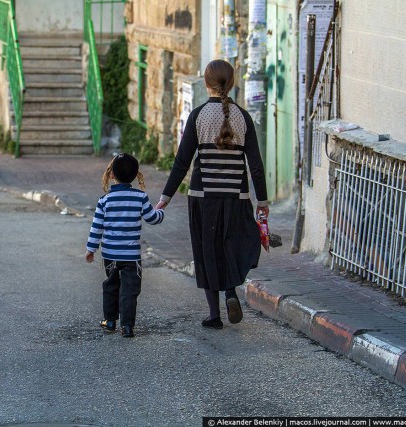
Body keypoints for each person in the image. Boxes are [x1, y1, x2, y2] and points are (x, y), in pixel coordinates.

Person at [155, 59, 269, 329]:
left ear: (207, 84)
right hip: (236, 196)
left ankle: (214, 315)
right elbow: (255, 164)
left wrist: (166, 196)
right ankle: (231, 291)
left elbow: (182, 161)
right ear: (232, 83)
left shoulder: (198, 115)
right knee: (232, 245)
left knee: (208, 251)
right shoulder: (243, 116)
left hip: (203, 196)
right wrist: (262, 201)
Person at [85, 153, 165, 338]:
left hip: (110, 255)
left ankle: (110, 320)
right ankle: (127, 326)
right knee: (130, 290)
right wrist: (161, 213)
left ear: (111, 174)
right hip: (131, 255)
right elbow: (152, 218)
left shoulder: (104, 200)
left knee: (111, 286)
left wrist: (91, 249)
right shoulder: (140, 197)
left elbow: (96, 227)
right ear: (136, 174)